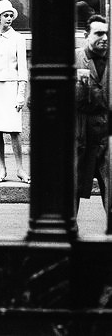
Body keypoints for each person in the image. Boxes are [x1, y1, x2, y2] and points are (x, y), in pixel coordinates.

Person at [0, 0, 30, 184]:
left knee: (14, 131)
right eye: (6, 15)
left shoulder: (18, 39)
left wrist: (20, 94)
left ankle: (20, 169)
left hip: (11, 88)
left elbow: (23, 70)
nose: (9, 18)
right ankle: (2, 168)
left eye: (11, 15)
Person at [75, 14, 108, 211]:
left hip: (106, 140)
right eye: (99, 34)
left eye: (107, 34)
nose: (104, 38)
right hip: (80, 138)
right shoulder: (74, 59)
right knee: (72, 193)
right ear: (86, 35)